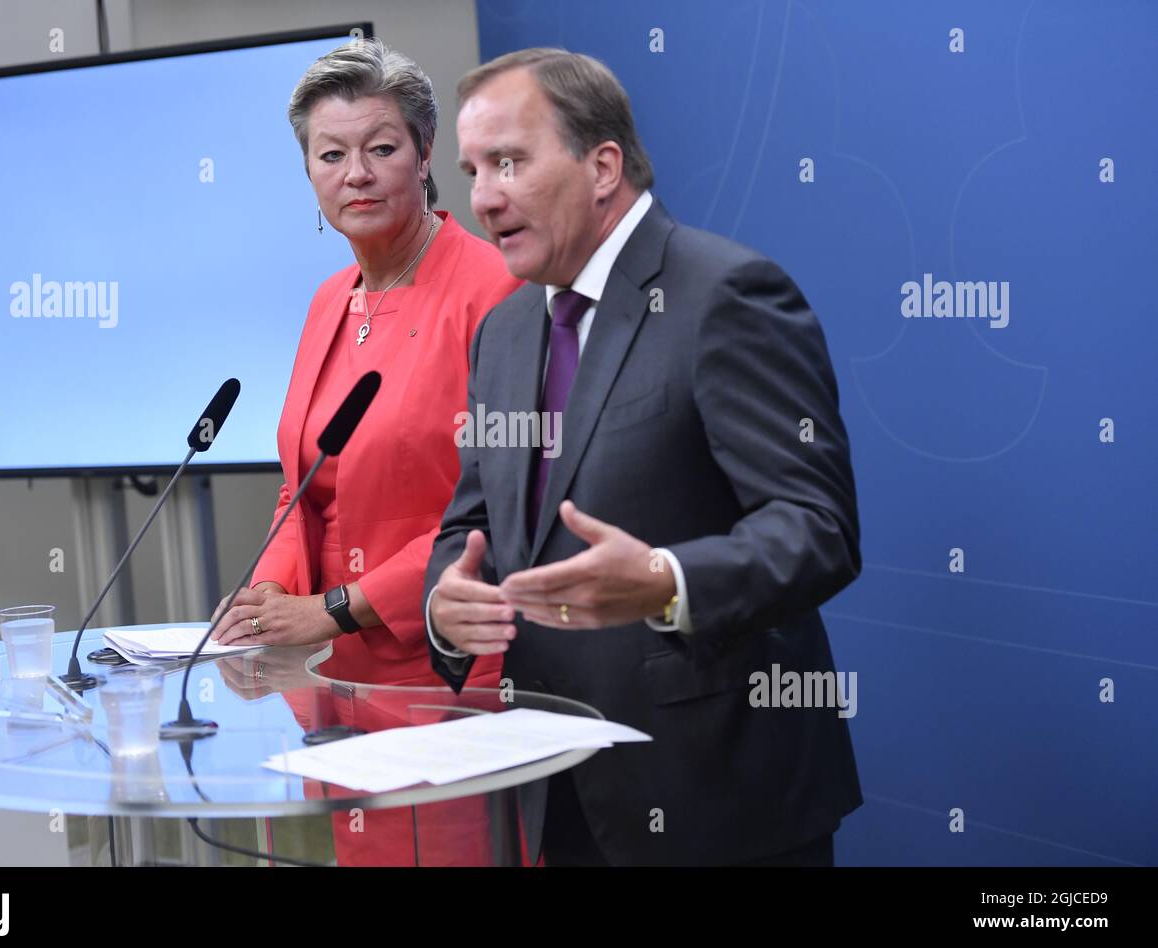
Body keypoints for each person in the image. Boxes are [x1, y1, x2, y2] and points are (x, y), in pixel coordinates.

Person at [425, 48, 863, 866]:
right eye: (473, 169)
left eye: (510, 162)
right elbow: (473, 522)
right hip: (556, 788)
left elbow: (817, 530)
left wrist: (666, 580)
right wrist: (445, 608)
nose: (483, 198)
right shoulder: (506, 329)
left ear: (602, 166)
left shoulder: (727, 294)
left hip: (717, 800)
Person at [208, 39, 521, 865]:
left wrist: (333, 606)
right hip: (343, 688)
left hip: (456, 677)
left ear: (424, 156)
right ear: (308, 174)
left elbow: (495, 509)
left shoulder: (492, 289)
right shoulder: (326, 302)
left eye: (382, 148)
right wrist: (269, 592)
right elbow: (302, 488)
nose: (358, 173)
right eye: (331, 154)